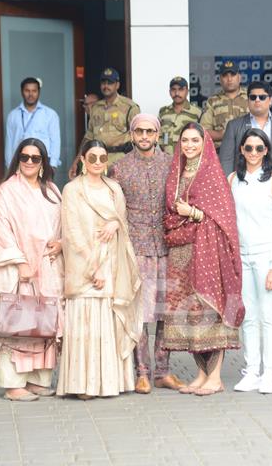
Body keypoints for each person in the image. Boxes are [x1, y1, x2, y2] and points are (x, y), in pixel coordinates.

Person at [161, 122, 244, 396]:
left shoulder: (212, 174)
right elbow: (169, 213)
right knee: (189, 315)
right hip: (180, 253)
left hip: (207, 251)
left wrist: (194, 214)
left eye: (195, 140)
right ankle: (201, 373)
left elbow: (224, 218)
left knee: (210, 312)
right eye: (185, 140)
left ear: (205, 142)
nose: (190, 145)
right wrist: (183, 214)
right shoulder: (176, 172)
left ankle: (216, 377)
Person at [57, 139, 141, 399]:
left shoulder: (114, 188)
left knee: (109, 318)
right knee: (86, 321)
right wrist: (91, 266)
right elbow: (70, 231)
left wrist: (116, 225)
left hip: (113, 262)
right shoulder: (72, 189)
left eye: (102, 158)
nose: (96, 163)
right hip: (84, 265)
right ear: (82, 160)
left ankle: (112, 382)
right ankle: (83, 385)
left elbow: (123, 223)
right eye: (91, 158)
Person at [109, 114, 185, 394]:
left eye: (149, 132)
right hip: (136, 248)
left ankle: (163, 371)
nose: (144, 136)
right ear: (132, 134)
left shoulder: (170, 164)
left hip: (167, 247)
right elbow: (113, 208)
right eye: (139, 131)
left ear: (158, 134)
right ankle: (142, 372)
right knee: (138, 312)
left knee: (166, 312)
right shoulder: (119, 168)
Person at [0, 138, 64, 401]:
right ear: (17, 159)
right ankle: (13, 383)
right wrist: (20, 262)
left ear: (43, 162)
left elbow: (64, 224)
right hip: (16, 269)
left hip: (47, 267)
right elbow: (0, 230)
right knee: (15, 324)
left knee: (43, 323)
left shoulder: (52, 190)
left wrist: (61, 244)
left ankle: (38, 380)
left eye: (35, 158)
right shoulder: (6, 191)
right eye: (24, 157)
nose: (29, 162)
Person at [229, 129, 272, 394]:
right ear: (241, 150)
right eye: (249, 148)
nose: (254, 153)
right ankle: (251, 371)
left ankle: (269, 373)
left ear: (266, 151)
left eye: (259, 148)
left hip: (266, 256)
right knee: (249, 317)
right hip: (241, 256)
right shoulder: (233, 180)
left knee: (268, 317)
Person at [68, 68, 140, 177]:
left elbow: (138, 136)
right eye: (103, 82)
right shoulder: (96, 107)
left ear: (117, 85)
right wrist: (77, 161)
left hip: (121, 160)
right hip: (97, 161)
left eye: (110, 83)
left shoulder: (130, 107)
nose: (106, 86)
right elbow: (88, 137)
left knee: (120, 193)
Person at [219, 81, 272, 177]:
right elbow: (226, 160)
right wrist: (229, 183)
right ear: (248, 101)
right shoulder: (234, 126)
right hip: (244, 184)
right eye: (253, 97)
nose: (257, 100)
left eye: (262, 97)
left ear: (270, 100)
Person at [4, 77, 61, 168]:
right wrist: (10, 165)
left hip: (43, 162)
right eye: (27, 90)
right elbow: (9, 142)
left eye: (34, 91)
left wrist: (52, 165)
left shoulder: (50, 115)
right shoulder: (13, 115)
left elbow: (55, 142)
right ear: (22, 91)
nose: (30, 94)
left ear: (39, 92)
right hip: (20, 162)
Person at [200, 60, 248, 151]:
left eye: (233, 75)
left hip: (248, 152)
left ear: (239, 77)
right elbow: (204, 131)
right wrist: (226, 135)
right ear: (220, 79)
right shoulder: (213, 101)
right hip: (221, 152)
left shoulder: (250, 98)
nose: (229, 79)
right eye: (225, 75)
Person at [158, 77, 201, 154]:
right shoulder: (163, 112)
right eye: (173, 89)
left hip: (188, 159)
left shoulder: (197, 112)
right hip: (167, 160)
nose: (177, 93)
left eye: (181, 89)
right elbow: (160, 136)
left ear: (187, 91)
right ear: (169, 92)